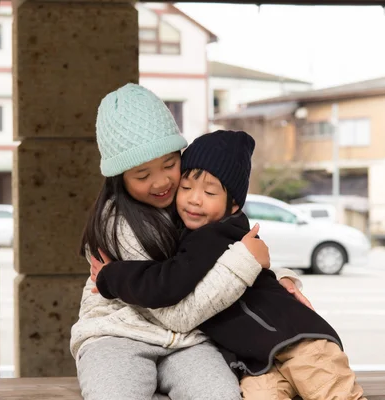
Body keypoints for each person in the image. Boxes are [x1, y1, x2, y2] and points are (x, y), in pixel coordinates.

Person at [70, 84, 306, 400]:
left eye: (170, 164)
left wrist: (280, 278)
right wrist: (245, 262)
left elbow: (218, 257)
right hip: (117, 336)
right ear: (120, 179)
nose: (162, 181)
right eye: (142, 175)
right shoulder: (116, 225)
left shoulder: (189, 202)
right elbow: (174, 312)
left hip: (190, 342)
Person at [92, 129, 365, 400]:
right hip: (256, 361)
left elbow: (167, 284)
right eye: (186, 188)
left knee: (335, 395)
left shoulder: (214, 235)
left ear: (233, 205)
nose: (195, 199)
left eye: (210, 192)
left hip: (298, 342)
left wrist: (110, 276)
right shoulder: (189, 230)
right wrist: (285, 276)